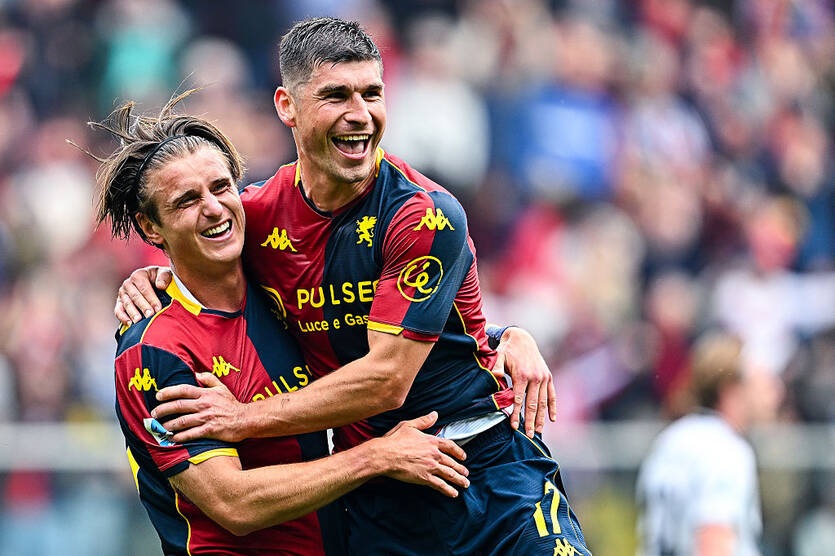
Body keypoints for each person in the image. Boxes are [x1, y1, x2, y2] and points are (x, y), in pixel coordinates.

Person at [117, 17, 589, 555]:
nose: (360, 114)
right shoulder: (255, 218)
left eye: (372, 93)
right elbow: (203, 252)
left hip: (489, 473)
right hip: (379, 498)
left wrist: (243, 419)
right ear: (287, 106)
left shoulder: (422, 214)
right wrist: (152, 278)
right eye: (336, 95)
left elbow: (387, 378)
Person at [87, 91, 472, 555]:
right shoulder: (154, 349)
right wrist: (375, 456)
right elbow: (234, 503)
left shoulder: (277, 292)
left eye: (221, 187)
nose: (213, 207)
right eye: (187, 200)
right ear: (151, 228)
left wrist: (503, 338)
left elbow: (394, 332)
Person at [635, 330, 779, 556]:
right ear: (732, 388)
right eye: (763, 380)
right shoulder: (725, 450)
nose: (776, 391)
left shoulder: (670, 440)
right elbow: (712, 543)